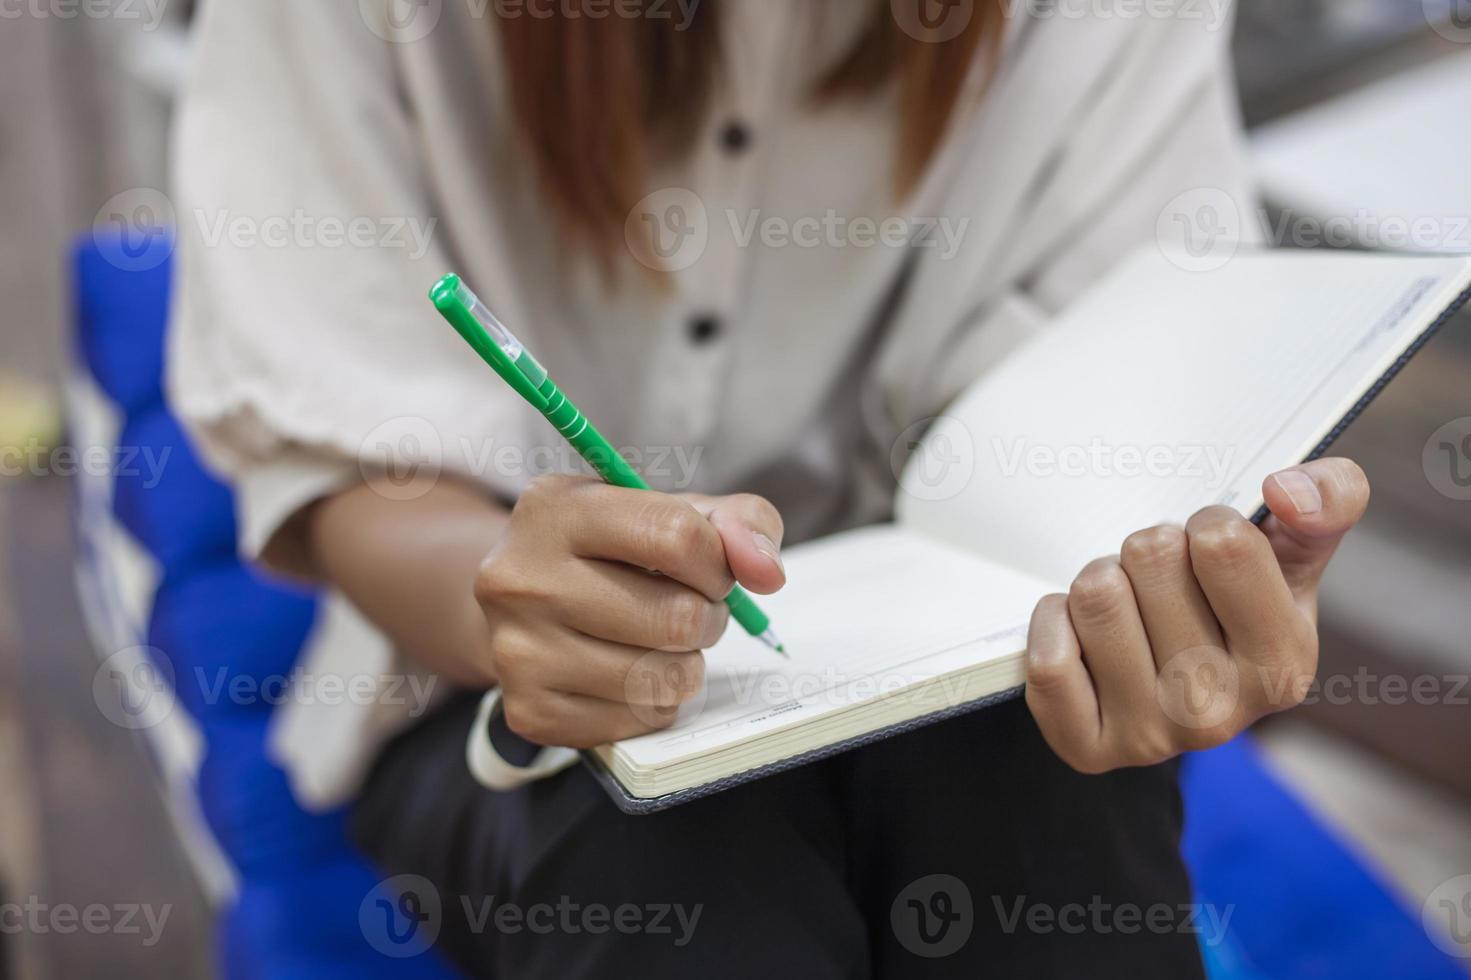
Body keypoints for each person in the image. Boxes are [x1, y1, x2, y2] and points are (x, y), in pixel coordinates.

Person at [170, 1, 1368, 975]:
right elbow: (333, 447)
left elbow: (1112, 370)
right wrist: (507, 601)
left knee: (1055, 821)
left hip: (959, 651)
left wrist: (1188, 558)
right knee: (663, 871)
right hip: (486, 677)